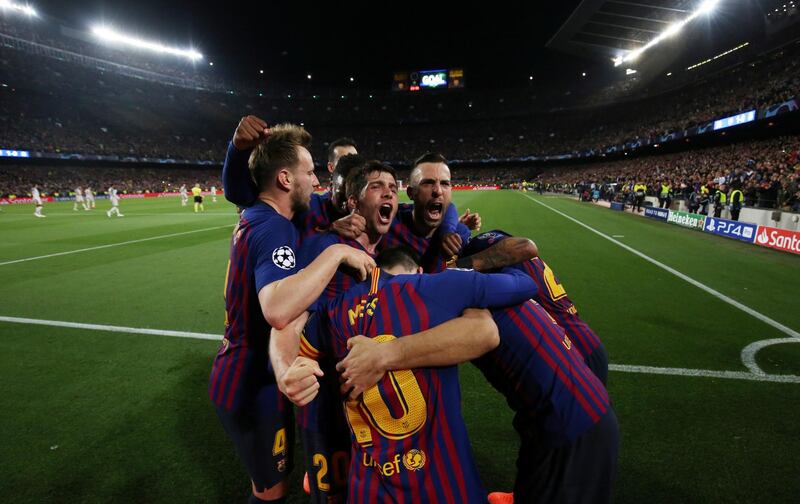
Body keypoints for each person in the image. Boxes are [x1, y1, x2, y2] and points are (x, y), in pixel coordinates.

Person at [337, 246, 618, 504]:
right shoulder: (480, 287)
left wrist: (383, 355)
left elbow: (484, 333)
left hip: (571, 423)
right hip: (554, 415)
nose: (397, 298)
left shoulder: (451, 294)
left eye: (403, 286)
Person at [208, 123, 376, 504]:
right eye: (308, 171)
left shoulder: (259, 214)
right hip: (251, 383)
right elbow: (278, 309)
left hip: (248, 372)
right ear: (284, 178)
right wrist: (337, 253)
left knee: (275, 486)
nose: (316, 180)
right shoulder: (273, 229)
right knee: (270, 494)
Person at [290, 247, 539, 503]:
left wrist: (295, 369)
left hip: (367, 486)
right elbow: (524, 285)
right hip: (441, 485)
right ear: (419, 270)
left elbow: (298, 347)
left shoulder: (333, 310)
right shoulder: (434, 286)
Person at [458, 229, 609, 384]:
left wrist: (460, 265)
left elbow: (525, 246)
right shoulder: (499, 250)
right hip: (582, 340)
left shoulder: (479, 245)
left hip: (574, 350)